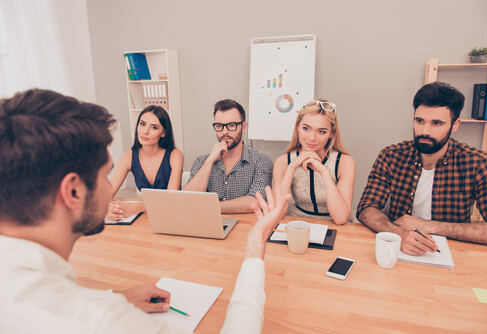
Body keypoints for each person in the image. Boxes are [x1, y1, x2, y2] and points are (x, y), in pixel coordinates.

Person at [0, 89, 291, 334]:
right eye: (105, 175)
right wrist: (255, 251)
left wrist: (115, 297)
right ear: (73, 191)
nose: (110, 188)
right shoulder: (106, 322)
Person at [357, 82, 487, 255]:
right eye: (419, 121)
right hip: (400, 248)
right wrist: (399, 233)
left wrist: (429, 226)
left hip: (451, 255)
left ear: (455, 125)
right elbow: (366, 208)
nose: (425, 131)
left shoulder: (478, 163)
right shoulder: (391, 155)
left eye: (437, 123)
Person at [273, 99, 356, 224]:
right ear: (297, 127)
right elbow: (277, 213)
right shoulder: (282, 162)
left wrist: (324, 171)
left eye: (321, 131)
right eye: (306, 128)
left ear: (331, 133)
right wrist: (291, 168)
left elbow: (340, 218)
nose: (312, 138)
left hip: (335, 226)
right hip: (296, 224)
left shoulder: (344, 162)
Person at [183, 99, 273, 213]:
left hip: (245, 227)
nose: (225, 131)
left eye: (231, 125)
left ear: (243, 127)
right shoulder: (202, 161)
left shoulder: (261, 161)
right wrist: (210, 161)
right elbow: (187, 199)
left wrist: (208, 206)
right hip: (208, 226)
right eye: (219, 126)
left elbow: (256, 202)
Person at [106, 105, 183, 221]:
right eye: (142, 124)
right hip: (149, 217)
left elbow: (170, 199)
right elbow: (108, 192)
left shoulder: (175, 155)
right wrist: (109, 208)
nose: (145, 131)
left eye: (154, 127)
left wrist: (136, 206)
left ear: (163, 133)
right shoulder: (129, 157)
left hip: (173, 216)